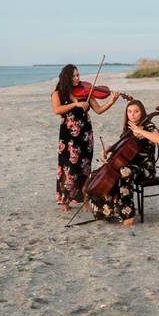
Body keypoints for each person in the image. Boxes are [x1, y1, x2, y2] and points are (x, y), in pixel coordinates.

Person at [51, 64, 121, 212]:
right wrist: (75, 105)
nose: (77, 78)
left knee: (84, 168)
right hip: (68, 137)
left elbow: (99, 110)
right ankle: (66, 200)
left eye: (78, 75)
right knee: (68, 168)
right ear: (66, 77)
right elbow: (57, 109)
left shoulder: (86, 92)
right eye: (74, 76)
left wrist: (111, 101)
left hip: (85, 135)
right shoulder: (58, 93)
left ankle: (84, 199)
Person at [91, 100, 159, 225]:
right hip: (129, 166)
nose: (133, 114)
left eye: (136, 111)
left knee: (124, 172)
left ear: (142, 113)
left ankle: (127, 215)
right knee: (99, 174)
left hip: (145, 169)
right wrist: (108, 150)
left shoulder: (149, 126)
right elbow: (121, 149)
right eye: (129, 111)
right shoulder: (128, 129)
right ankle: (107, 212)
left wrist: (141, 131)